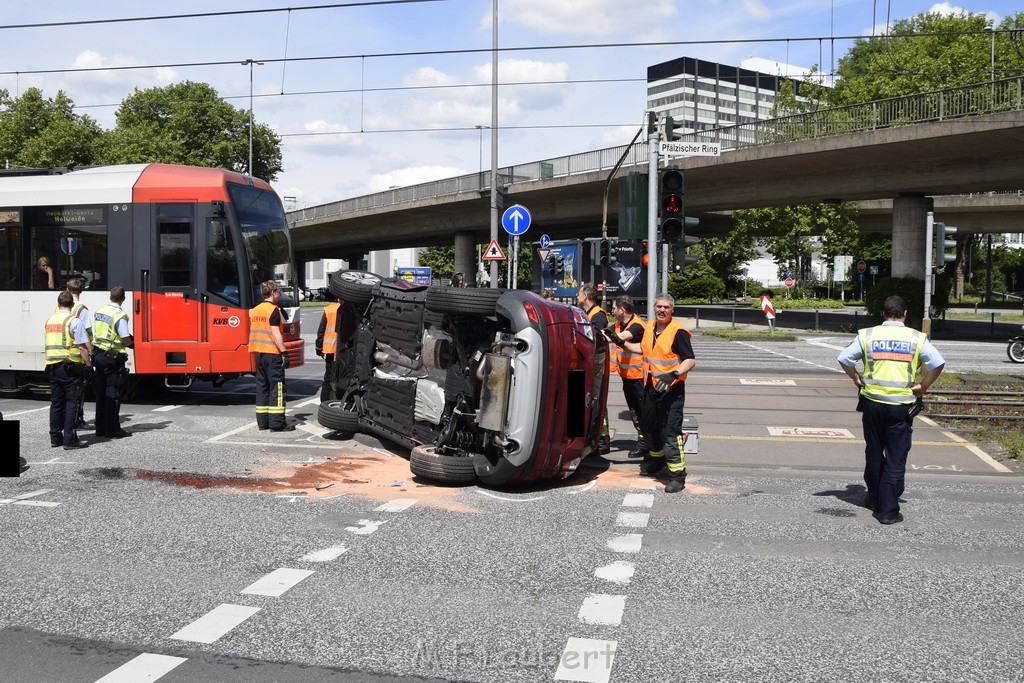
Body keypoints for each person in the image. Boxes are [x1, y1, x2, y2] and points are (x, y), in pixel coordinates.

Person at [837, 294, 945, 525]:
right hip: (900, 407)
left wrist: (856, 378)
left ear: (883, 313)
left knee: (874, 452)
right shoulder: (916, 338)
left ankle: (874, 499)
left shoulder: (868, 335)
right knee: (896, 458)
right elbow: (937, 363)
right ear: (905, 314)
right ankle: (887, 510)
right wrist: (922, 386)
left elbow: (844, 358)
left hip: (872, 403)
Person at [624, 293, 696, 493]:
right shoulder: (650, 328)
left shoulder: (677, 332)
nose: (662, 310)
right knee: (648, 427)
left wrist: (674, 374)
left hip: (671, 390)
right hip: (651, 387)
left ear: (672, 310)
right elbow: (645, 348)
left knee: (670, 432)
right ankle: (659, 459)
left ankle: (677, 476)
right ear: (654, 308)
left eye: (666, 307)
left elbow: (690, 360)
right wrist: (623, 344)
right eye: (659, 307)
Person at [44, 291, 92, 450]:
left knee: (56, 403)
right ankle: (69, 439)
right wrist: (88, 365)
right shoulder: (73, 321)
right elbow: (82, 347)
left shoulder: (50, 320)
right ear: (72, 305)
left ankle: (55, 437)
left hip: (52, 366)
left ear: (58, 304)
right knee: (72, 402)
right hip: (70, 367)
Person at [603, 295, 648, 458]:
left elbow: (622, 337)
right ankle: (644, 442)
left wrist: (607, 337)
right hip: (627, 376)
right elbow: (607, 333)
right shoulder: (617, 325)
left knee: (642, 411)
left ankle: (647, 444)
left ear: (622, 310)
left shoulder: (637, 326)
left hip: (638, 377)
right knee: (635, 411)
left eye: (614, 308)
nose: (612, 311)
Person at [249, 280, 294, 431]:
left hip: (259, 353)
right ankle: (277, 423)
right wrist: (284, 352)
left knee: (262, 387)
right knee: (277, 388)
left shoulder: (255, 310)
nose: (280, 295)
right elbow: (275, 333)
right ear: (273, 293)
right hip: (272, 353)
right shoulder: (273, 310)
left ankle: (263, 422)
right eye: (279, 292)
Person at [92, 286, 134, 438]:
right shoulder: (119, 315)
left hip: (98, 355)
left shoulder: (100, 311)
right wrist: (131, 343)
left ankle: (100, 427)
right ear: (123, 299)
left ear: (110, 297)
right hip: (112, 358)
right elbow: (124, 337)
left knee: (101, 394)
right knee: (113, 393)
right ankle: (112, 429)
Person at [577, 283, 611, 454]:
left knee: (596, 399)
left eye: (579, 294)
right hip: (591, 361)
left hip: (596, 361)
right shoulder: (589, 313)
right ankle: (599, 437)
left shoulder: (597, 315)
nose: (577, 297)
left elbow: (594, 339)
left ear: (586, 297)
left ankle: (602, 439)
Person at [64, 277, 93, 427]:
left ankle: (68, 420)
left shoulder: (60, 306)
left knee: (65, 394)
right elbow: (86, 333)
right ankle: (78, 419)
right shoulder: (82, 308)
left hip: (63, 354)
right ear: (81, 291)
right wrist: (90, 352)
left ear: (67, 290)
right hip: (78, 354)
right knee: (78, 390)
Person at [315, 292, 341, 402]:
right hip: (345, 350)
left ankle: (325, 402)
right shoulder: (352, 310)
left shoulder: (329, 310)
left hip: (330, 349)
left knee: (329, 377)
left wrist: (319, 348)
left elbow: (321, 331)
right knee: (342, 377)